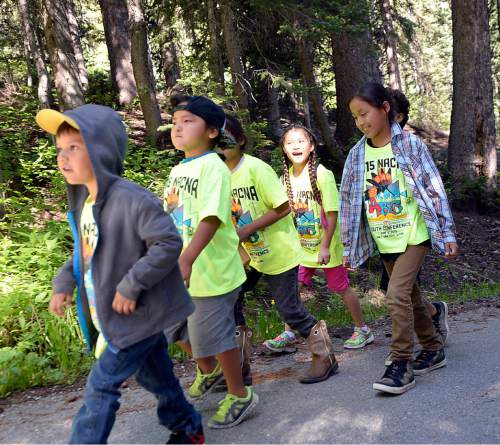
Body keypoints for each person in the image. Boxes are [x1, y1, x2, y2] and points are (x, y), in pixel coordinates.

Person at [36, 104, 203, 444]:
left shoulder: (132, 199)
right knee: (158, 379)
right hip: (117, 319)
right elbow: (86, 252)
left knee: (100, 389)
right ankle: (187, 426)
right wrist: (64, 281)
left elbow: (168, 242)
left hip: (133, 317)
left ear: (101, 150)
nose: (63, 158)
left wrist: (132, 285)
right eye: (60, 150)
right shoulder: (86, 203)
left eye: (74, 148)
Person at [340, 82, 459, 395]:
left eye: (364, 113)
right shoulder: (356, 155)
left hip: (413, 233)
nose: (360, 121)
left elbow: (433, 187)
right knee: (411, 296)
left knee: (395, 295)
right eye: (354, 117)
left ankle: (401, 362)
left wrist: (445, 233)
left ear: (384, 108)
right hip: (384, 236)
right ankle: (433, 349)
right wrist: (348, 247)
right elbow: (351, 203)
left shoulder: (409, 145)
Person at [221, 114, 338, 385]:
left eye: (226, 139)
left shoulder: (255, 169)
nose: (220, 145)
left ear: (240, 140)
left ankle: (325, 356)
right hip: (249, 254)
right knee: (231, 301)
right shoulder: (217, 174)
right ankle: (238, 368)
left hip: (279, 252)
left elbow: (283, 207)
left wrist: (246, 231)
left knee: (289, 310)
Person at [164, 96, 258, 429]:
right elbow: (172, 215)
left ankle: (240, 393)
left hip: (213, 272)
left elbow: (212, 218)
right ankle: (211, 371)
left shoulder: (213, 168)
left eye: (188, 120)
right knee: (175, 329)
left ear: (213, 131)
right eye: (175, 120)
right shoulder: (179, 169)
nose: (178, 126)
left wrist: (187, 258)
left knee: (214, 337)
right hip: (181, 269)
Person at [271, 124, 374, 350]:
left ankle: (363, 329)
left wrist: (325, 246)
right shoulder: (284, 178)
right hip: (300, 247)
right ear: (284, 149)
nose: (296, 146)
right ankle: (289, 333)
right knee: (292, 289)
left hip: (325, 245)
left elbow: (332, 213)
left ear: (311, 146)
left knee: (340, 287)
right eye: (290, 142)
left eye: (301, 141)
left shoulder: (322, 174)